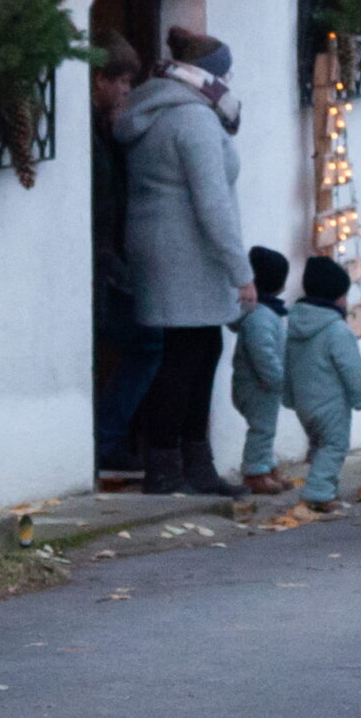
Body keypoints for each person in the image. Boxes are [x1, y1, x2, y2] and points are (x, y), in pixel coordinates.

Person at [114, 25, 255, 496]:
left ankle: (186, 463)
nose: (230, 80)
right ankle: (171, 466)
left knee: (195, 351)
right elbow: (211, 204)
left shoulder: (160, 108)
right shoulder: (193, 119)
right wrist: (242, 271)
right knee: (186, 358)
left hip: (166, 248)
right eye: (225, 72)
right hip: (186, 253)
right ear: (206, 75)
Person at [91, 35, 166, 491]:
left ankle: (111, 439)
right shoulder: (93, 132)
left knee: (142, 342)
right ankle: (109, 440)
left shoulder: (105, 128)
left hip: (110, 258)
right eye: (118, 80)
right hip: (104, 259)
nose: (125, 90)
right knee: (145, 343)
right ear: (97, 80)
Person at [285, 256, 361, 513]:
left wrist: (289, 397)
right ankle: (319, 493)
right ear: (337, 297)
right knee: (334, 445)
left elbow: (288, 364)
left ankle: (325, 486)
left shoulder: (293, 325)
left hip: (305, 403)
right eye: (344, 296)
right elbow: (351, 368)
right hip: (331, 403)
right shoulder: (337, 330)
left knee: (318, 445)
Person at [230, 246, 292, 496]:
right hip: (257, 386)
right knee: (262, 429)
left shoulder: (267, 313)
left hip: (263, 386)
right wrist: (277, 379)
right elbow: (263, 354)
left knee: (267, 428)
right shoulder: (261, 317)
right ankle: (255, 472)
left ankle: (268, 467)